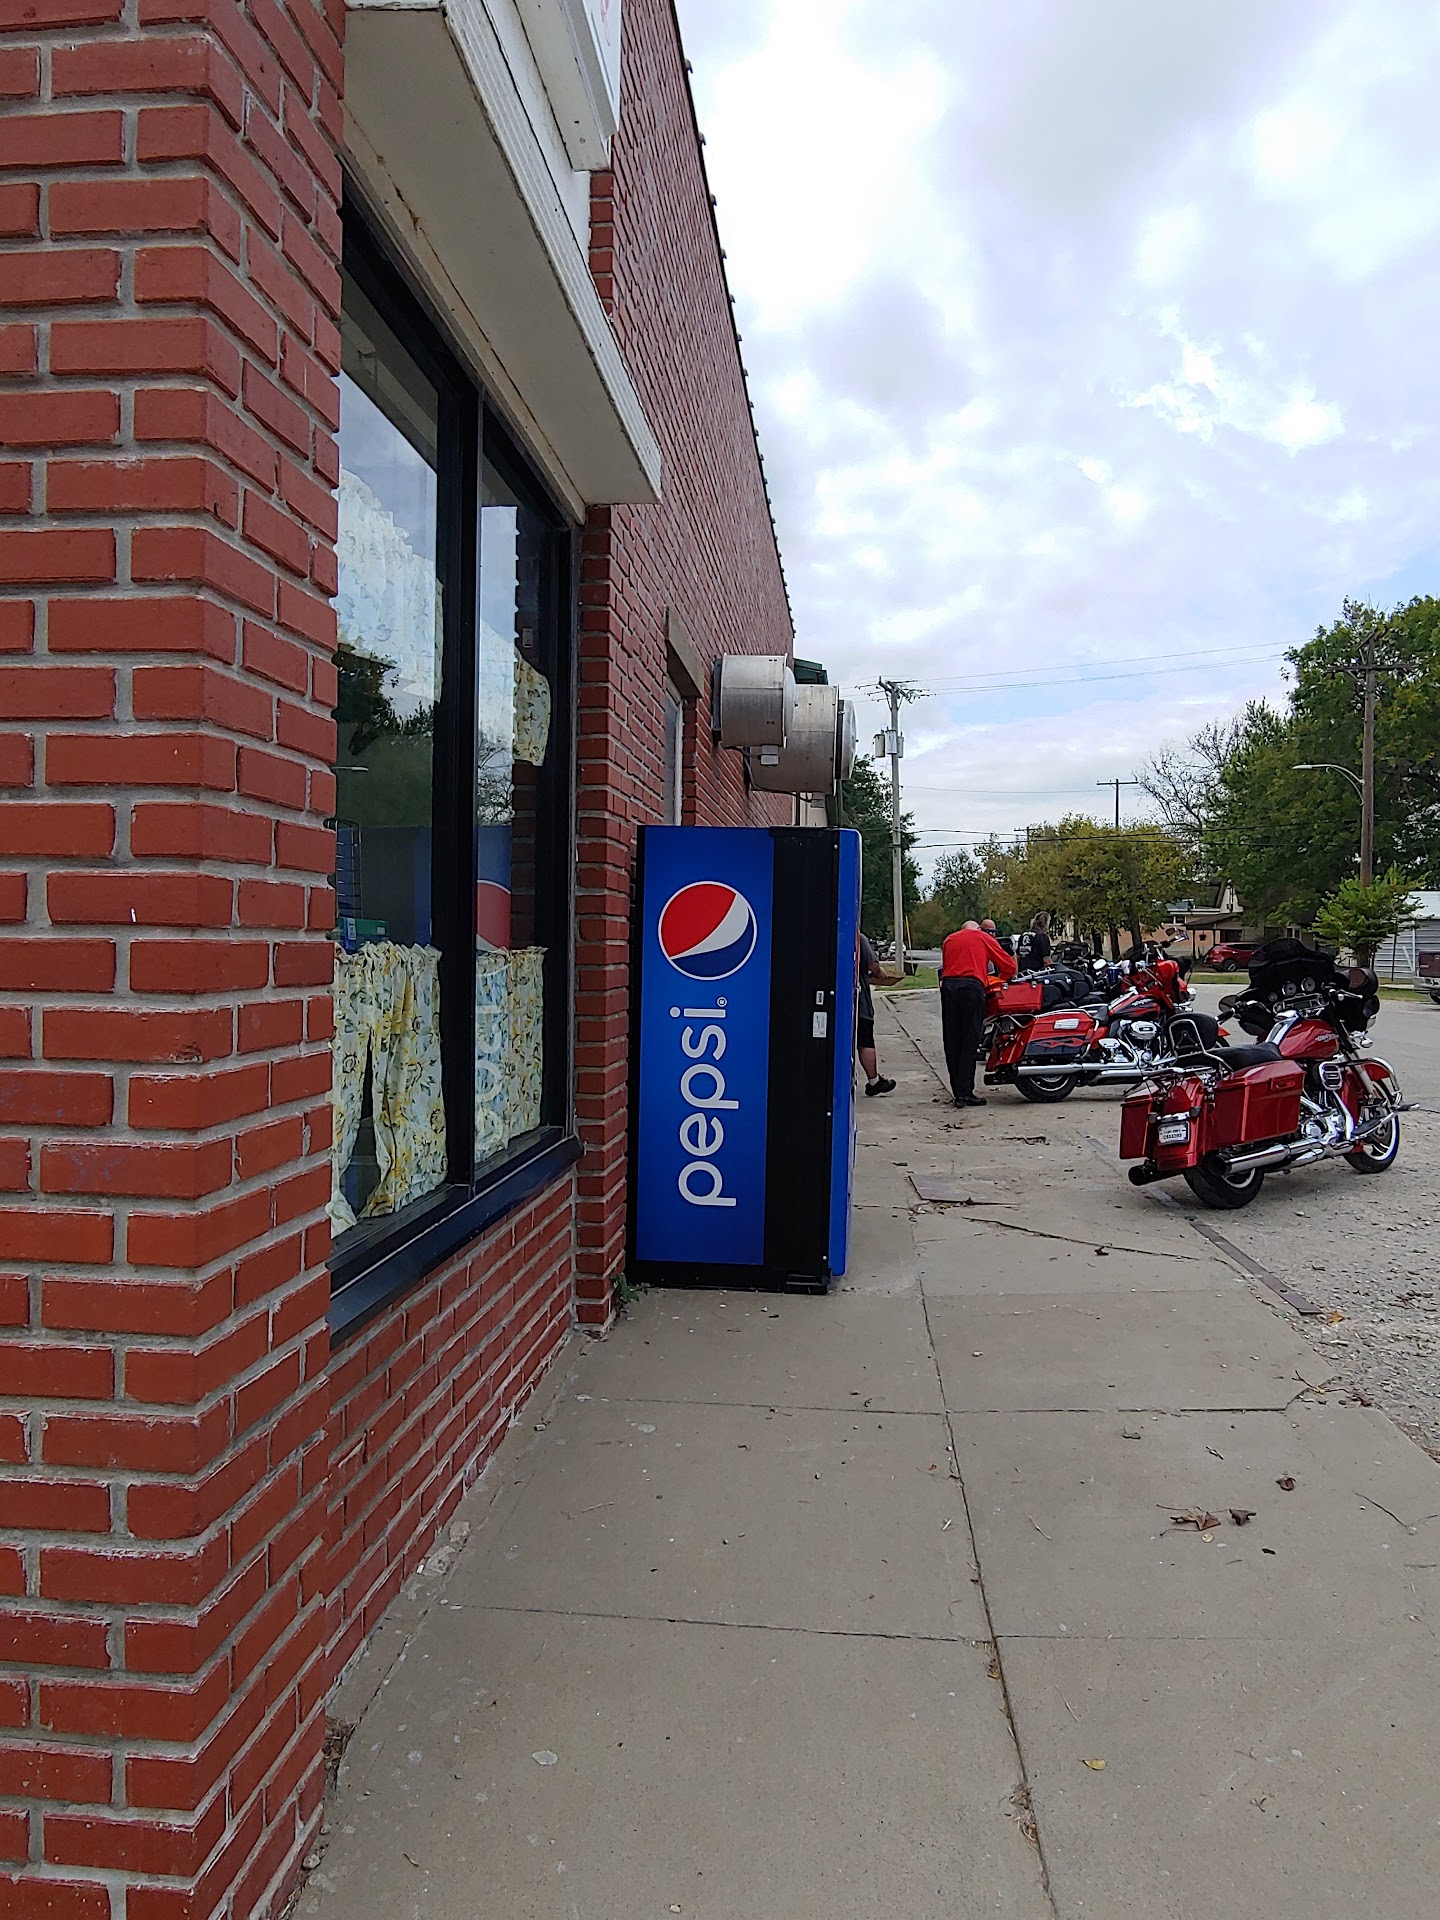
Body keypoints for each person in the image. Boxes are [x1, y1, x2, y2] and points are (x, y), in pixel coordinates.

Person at [939, 919, 1016, 1107]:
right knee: (970, 1039)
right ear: (979, 929)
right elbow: (1009, 966)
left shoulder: (949, 940)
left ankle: (957, 1091)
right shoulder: (982, 937)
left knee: (952, 1039)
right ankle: (965, 1093)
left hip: (949, 987)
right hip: (971, 987)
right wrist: (998, 981)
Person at [856, 932, 895, 1097]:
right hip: (858, 1000)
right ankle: (874, 1081)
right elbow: (873, 964)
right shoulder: (858, 938)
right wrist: (881, 974)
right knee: (865, 1041)